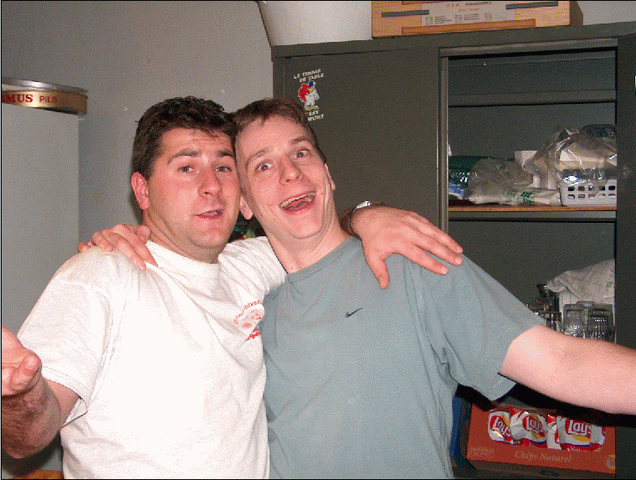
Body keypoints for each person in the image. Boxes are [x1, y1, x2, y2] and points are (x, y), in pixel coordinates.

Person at [1, 96, 463, 478]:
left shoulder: (250, 264)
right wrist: (21, 394)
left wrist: (366, 214)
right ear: (142, 191)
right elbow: (28, 437)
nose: (211, 187)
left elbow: (315, 230)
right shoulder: (100, 276)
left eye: (224, 168)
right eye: (186, 168)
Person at [230, 99, 636, 478]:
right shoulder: (244, 304)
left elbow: (562, 362)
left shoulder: (411, 263)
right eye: (263, 165)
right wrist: (360, 214)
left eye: (301, 153)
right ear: (244, 202)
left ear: (327, 173)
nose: (290, 172)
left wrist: (362, 215)